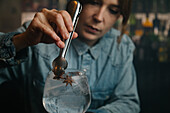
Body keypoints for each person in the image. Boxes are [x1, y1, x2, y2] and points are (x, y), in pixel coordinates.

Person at [0, 0, 140, 113]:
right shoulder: (36, 35)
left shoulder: (121, 46)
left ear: (119, 16)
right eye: (94, 2)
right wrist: (21, 40)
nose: (99, 17)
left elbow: (128, 102)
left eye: (113, 10)